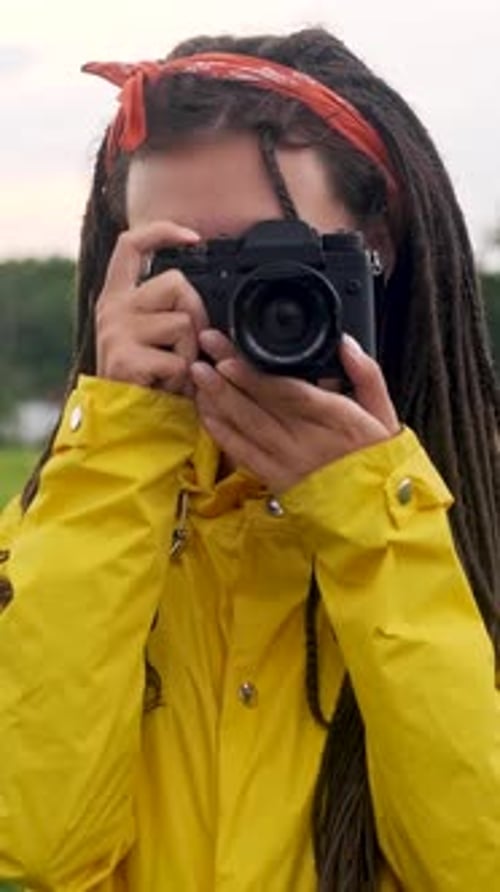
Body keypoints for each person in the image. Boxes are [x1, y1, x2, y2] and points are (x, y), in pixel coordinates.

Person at [0, 25, 499, 892]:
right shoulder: (77, 510)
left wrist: (374, 522)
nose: (250, 306)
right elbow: (35, 839)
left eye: (282, 257)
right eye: (185, 262)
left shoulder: (474, 523)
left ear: (377, 253)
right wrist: (120, 444)